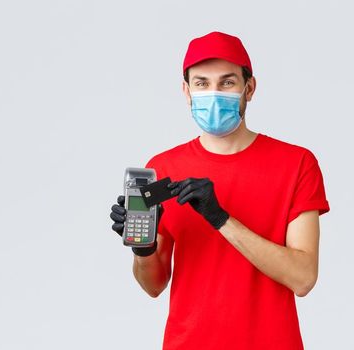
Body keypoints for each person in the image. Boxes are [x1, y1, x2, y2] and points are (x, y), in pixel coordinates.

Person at [108, 31, 330, 349]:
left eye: (227, 82)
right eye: (202, 83)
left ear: (248, 88)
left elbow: (303, 277)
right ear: (186, 91)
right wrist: (143, 251)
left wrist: (221, 219)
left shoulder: (297, 164)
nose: (214, 93)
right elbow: (153, 286)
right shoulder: (164, 167)